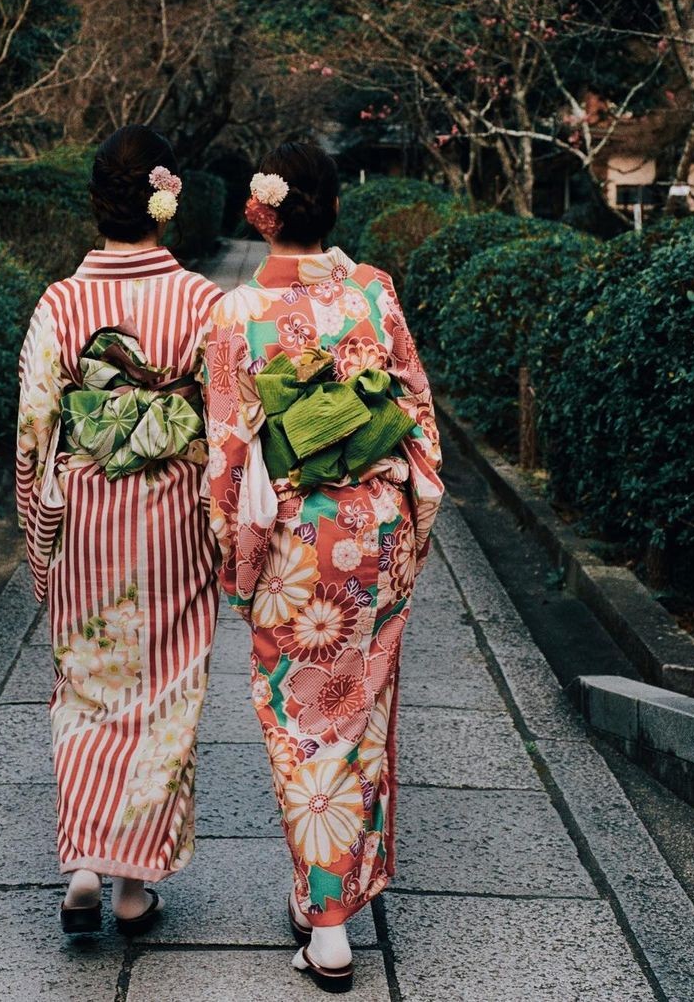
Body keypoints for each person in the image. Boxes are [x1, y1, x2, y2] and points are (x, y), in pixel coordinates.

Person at [201, 142, 444, 993]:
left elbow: (229, 452)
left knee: (299, 717)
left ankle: (328, 922)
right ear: (333, 211)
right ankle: (326, 895)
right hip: (373, 529)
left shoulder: (235, 315)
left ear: (261, 214)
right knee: (358, 705)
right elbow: (414, 412)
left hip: (296, 533)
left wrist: (237, 560)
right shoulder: (373, 291)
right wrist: (412, 521)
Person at [16, 125, 222, 936]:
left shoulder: (61, 303)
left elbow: (37, 429)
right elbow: (231, 425)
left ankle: (83, 869)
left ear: (97, 203)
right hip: (173, 513)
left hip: (91, 514)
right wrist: (226, 532)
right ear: (163, 206)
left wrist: (42, 538)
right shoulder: (201, 301)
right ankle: (135, 885)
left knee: (87, 684)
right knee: (168, 687)